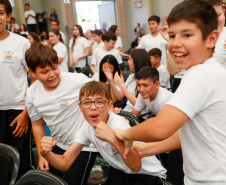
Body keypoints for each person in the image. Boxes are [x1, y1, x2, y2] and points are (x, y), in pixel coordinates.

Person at [114, 0, 226, 184]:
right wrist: (145, 149)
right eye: (172, 36)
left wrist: (125, 134)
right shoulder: (205, 70)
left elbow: (160, 127)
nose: (176, 43)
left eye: (187, 35)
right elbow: (188, 134)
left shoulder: (202, 74)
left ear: (211, 39)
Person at [40, 81, 166, 185]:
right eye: (87, 102)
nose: (93, 107)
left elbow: (136, 166)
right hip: (121, 171)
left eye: (99, 102)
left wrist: (113, 139)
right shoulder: (87, 128)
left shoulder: (117, 124)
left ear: (109, 105)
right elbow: (65, 163)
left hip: (149, 176)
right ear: (80, 107)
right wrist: (46, 153)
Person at [25, 43, 97, 185]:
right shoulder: (32, 93)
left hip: (83, 146)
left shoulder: (78, 81)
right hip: (57, 144)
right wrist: (42, 154)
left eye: (54, 68)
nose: (52, 75)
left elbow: (102, 95)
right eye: (44, 72)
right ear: (32, 72)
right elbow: (37, 123)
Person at [0, 0, 33, 179]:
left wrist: (26, 112)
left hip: (18, 112)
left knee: (21, 164)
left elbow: (35, 79)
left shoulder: (21, 43)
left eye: (1, 13)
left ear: (8, 16)